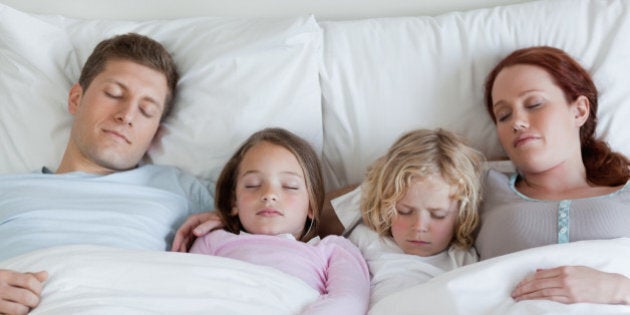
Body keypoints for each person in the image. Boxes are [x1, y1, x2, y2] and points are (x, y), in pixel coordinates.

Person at [0, 33, 214, 315]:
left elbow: (278, 221)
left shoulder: (181, 190)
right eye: (114, 94)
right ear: (76, 98)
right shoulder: (6, 189)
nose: (127, 115)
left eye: (146, 110)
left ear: (154, 132)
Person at [478, 46, 630, 305]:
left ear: (579, 111)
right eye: (503, 115)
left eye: (534, 104)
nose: (517, 122)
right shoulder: (482, 190)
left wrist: (617, 289)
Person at [188, 127, 370, 314]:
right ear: (234, 201)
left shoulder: (333, 251)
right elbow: (186, 289)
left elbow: (349, 301)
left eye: (289, 186)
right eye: (253, 185)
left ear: (311, 206)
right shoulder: (212, 241)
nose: (269, 195)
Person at [333, 128, 484, 306]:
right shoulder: (365, 241)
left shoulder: (464, 259)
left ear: (461, 215)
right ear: (386, 205)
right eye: (405, 211)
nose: (419, 226)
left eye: (438, 215)